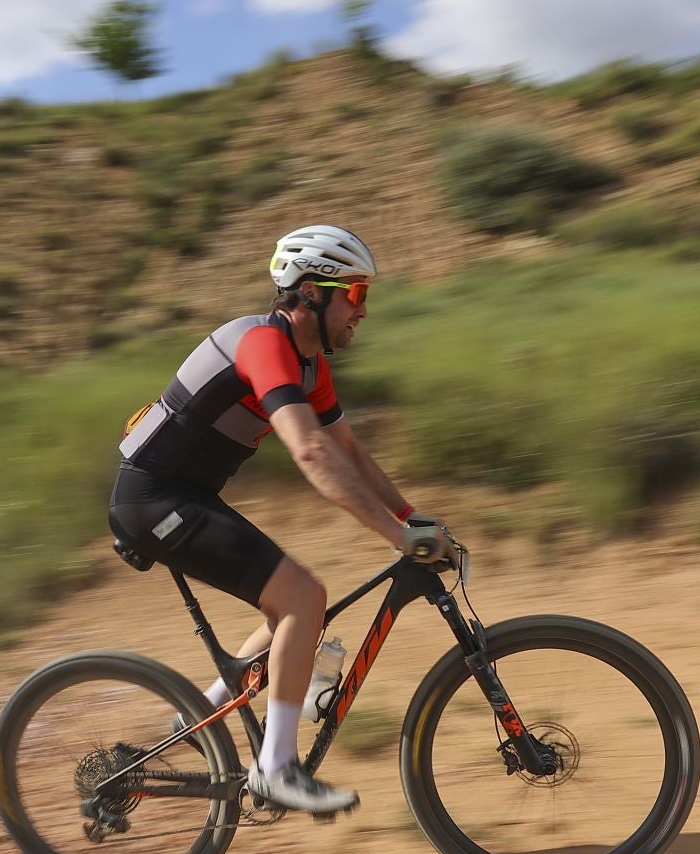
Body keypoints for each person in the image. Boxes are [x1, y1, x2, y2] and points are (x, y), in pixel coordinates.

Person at [109, 223, 449, 817]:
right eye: (356, 294)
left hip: (187, 496)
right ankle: (275, 769)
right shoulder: (263, 345)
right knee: (302, 599)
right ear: (311, 292)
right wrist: (398, 537)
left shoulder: (309, 366)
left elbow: (348, 451)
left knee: (298, 608)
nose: (363, 311)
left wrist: (412, 516)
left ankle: (199, 717)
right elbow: (311, 452)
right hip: (152, 500)